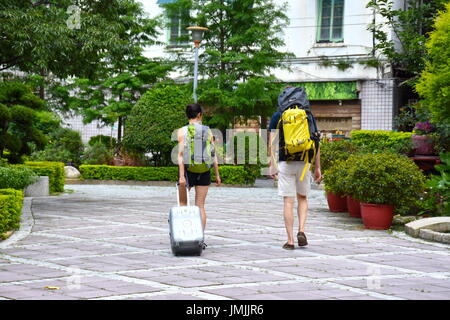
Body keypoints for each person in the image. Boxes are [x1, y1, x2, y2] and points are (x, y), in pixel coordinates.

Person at [268, 99, 322, 250]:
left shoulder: (278, 115)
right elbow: (316, 142)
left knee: (288, 201)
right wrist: (317, 167)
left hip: (285, 161)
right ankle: (302, 230)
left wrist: (272, 164)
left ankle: (290, 240)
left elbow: (272, 142)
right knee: (303, 198)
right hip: (304, 161)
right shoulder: (307, 115)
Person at [177, 103, 221, 235]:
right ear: (199, 115)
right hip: (204, 171)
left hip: (188, 171)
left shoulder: (182, 131)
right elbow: (213, 155)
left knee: (183, 206)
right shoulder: (208, 131)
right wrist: (217, 175)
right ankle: (199, 237)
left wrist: (181, 176)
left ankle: (184, 235)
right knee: (200, 206)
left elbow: (180, 156)